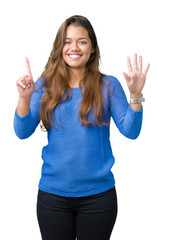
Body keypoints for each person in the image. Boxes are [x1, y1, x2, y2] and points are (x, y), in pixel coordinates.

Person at [14, 15, 149, 240]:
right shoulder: (43, 85)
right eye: (67, 41)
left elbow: (131, 131)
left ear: (93, 48)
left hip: (98, 198)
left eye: (82, 41)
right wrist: (24, 98)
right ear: (60, 47)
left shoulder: (108, 85)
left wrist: (135, 95)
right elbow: (22, 131)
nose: (74, 47)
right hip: (52, 197)